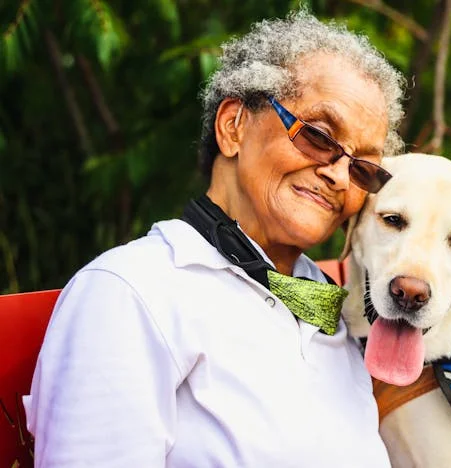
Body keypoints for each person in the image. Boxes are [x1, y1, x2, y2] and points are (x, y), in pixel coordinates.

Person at [23, 10, 405, 467]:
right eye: (320, 136)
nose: (340, 176)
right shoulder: (132, 292)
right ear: (233, 126)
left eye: (363, 167)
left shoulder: (333, 310)